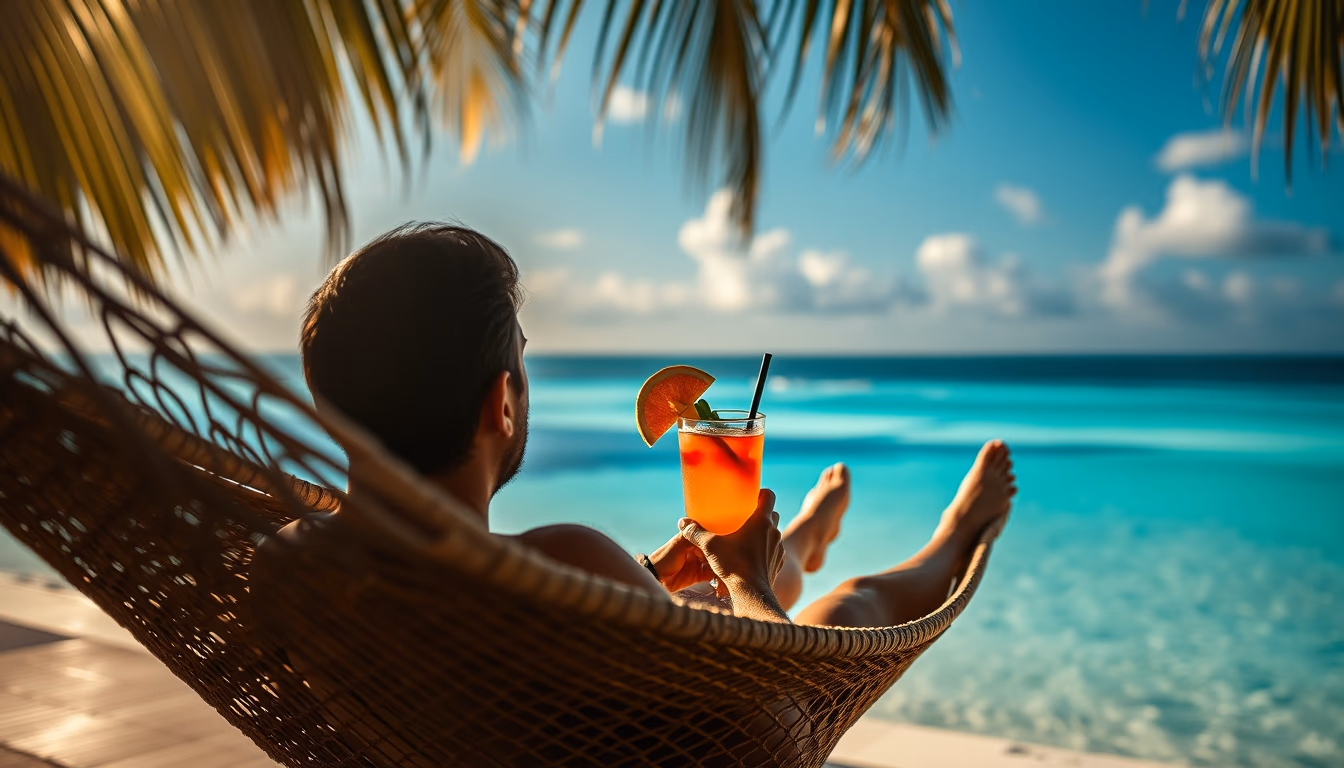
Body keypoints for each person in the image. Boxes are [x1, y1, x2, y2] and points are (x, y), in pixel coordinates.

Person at [273, 222, 1016, 627]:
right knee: (851, 604)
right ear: (501, 404)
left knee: (697, 594)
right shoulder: (567, 557)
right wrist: (749, 578)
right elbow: (762, 721)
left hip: (510, 686)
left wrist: (657, 573)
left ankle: (799, 541)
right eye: (524, 369)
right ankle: (947, 537)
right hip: (708, 723)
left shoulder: (290, 566)